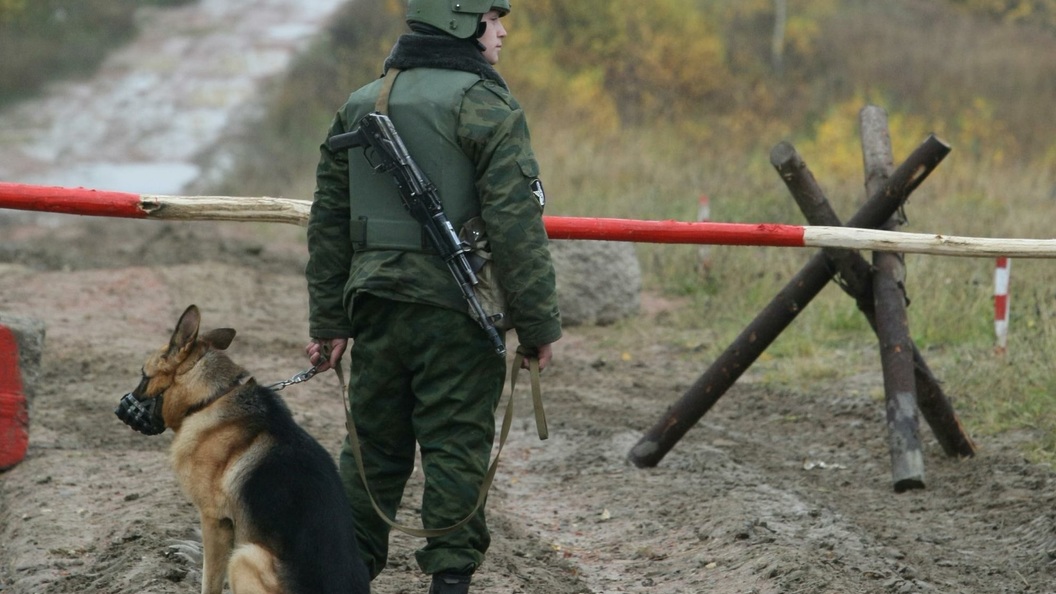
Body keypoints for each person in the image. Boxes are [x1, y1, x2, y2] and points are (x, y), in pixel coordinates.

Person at [304, 1, 561, 592]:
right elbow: (516, 225)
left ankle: (343, 580)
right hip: (456, 311)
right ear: (461, 22)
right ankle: (449, 584)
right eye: (493, 18)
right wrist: (538, 324)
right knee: (454, 446)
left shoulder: (360, 101)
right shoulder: (487, 106)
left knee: (371, 453)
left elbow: (329, 224)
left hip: (374, 306)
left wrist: (329, 321)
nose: (503, 31)